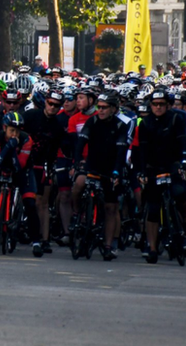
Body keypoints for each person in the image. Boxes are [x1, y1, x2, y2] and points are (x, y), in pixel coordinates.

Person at [72, 90, 131, 260]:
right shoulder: (92, 121)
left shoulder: (121, 125)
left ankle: (107, 245)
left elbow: (121, 152)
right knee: (79, 184)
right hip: (92, 165)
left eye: (105, 108)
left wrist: (116, 172)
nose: (101, 110)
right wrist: (77, 161)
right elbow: (80, 142)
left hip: (111, 168)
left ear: (114, 108)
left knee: (110, 208)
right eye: (99, 107)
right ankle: (79, 217)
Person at [133, 89, 186, 264]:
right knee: (152, 208)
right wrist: (141, 171)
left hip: (172, 164)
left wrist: (185, 162)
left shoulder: (176, 118)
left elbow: (183, 142)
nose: (158, 107)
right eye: (155, 104)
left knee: (179, 194)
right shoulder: (145, 123)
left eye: (161, 104)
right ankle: (152, 247)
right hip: (153, 167)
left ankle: (185, 227)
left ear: (168, 105)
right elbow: (141, 150)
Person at [23, 89, 67, 254]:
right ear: (45, 101)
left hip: (44, 163)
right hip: (24, 159)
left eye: (56, 105)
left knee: (42, 201)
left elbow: (60, 147)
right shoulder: (31, 115)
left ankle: (45, 239)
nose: (52, 108)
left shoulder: (58, 125)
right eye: (50, 103)